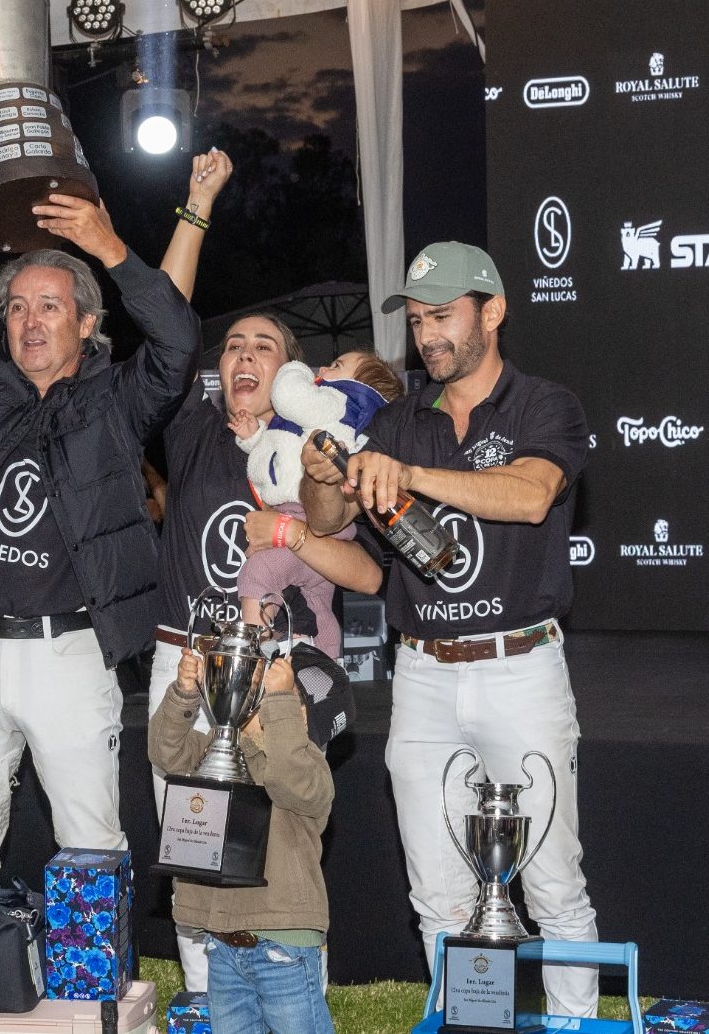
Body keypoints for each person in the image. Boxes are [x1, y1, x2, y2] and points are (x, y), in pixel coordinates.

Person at [0, 107, 201, 899]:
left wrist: (110, 248)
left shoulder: (119, 399)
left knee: (89, 842)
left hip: (71, 654)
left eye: (49, 305)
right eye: (17, 307)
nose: (29, 321)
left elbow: (176, 343)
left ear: (87, 320)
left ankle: (89, 1003)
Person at [300, 241, 598, 1017]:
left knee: (553, 878)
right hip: (423, 674)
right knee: (436, 887)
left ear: (491, 312)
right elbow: (333, 522)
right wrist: (324, 477)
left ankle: (570, 1019)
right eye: (419, 321)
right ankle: (473, 1017)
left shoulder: (545, 404)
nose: (427, 336)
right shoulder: (397, 421)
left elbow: (532, 494)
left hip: (519, 667)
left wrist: (410, 474)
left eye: (442, 317)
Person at [147, 153, 383, 988]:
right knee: (194, 833)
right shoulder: (191, 430)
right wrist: (198, 206)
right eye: (234, 345)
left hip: (286, 674)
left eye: (265, 347)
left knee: (287, 844)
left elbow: (367, 570)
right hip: (188, 662)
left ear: (290, 377)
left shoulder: (316, 458)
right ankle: (212, 1002)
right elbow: (164, 315)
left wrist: (290, 521)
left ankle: (297, 997)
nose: (244, 355)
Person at [148, 645, 339, 1034]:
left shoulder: (309, 769)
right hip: (223, 946)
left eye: (269, 694)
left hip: (284, 943)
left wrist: (281, 704)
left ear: (298, 715)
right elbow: (165, 751)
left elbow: (288, 781)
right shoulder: (214, 753)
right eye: (254, 690)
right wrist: (184, 693)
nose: (256, 700)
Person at [229, 349, 401, 642]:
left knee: (259, 571)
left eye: (336, 365)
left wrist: (296, 370)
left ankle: (250, 647)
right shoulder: (298, 422)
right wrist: (254, 437)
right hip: (297, 520)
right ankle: (326, 652)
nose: (322, 367)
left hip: (303, 516)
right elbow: (278, 457)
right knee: (318, 599)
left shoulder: (336, 401)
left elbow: (370, 578)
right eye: (233, 348)